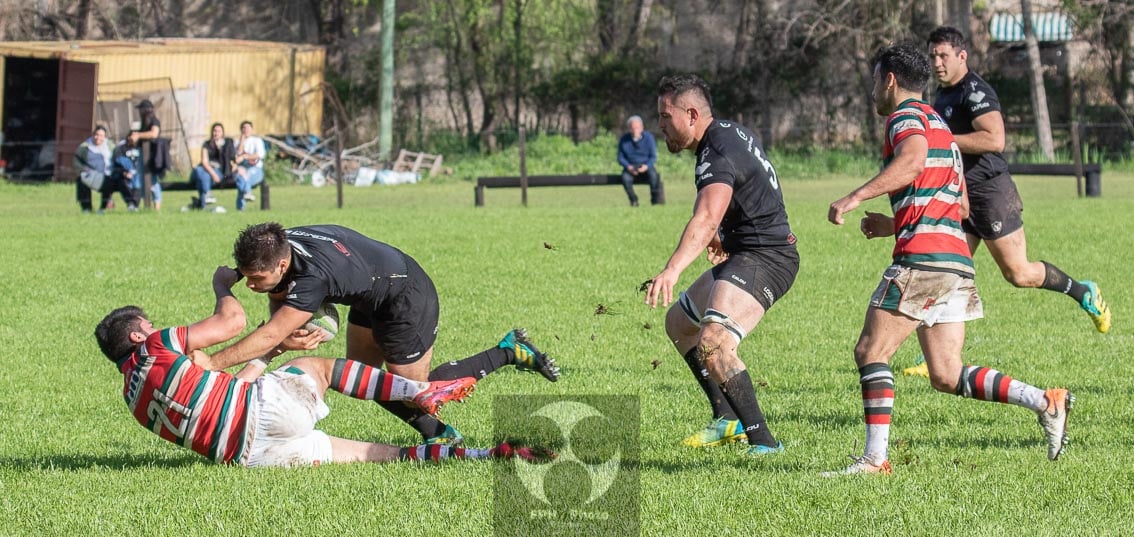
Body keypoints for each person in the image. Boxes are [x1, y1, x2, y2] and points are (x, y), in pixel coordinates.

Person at [823, 44, 1073, 476]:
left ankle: (873, 460)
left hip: (923, 259)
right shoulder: (941, 125)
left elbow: (913, 161)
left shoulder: (904, 118)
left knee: (871, 350)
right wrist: (894, 222)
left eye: (873, 82)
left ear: (890, 81)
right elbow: (957, 207)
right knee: (945, 373)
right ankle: (1044, 401)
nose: (872, 93)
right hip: (955, 259)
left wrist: (855, 195)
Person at [94, 266, 546, 468]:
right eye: (147, 323)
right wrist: (221, 286)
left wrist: (273, 353)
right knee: (323, 367)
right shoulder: (156, 346)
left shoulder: (133, 397)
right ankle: (418, 393)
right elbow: (231, 321)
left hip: (252, 457)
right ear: (137, 335)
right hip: (264, 415)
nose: (155, 325)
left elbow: (225, 395)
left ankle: (490, 456)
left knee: (383, 456)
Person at [192, 223, 560, 445]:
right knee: (362, 378)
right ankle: (438, 433)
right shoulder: (277, 246)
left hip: (405, 296)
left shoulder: (311, 278)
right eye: (247, 277)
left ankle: (508, 351)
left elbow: (271, 335)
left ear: (282, 264)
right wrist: (247, 286)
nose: (251, 286)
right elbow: (276, 310)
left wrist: (213, 362)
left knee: (418, 393)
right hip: (371, 292)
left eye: (256, 279)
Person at [897, 27, 1113, 377]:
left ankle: (1083, 290)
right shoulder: (942, 95)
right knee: (943, 271)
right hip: (960, 195)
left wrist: (944, 137)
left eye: (943, 56)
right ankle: (938, 358)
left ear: (962, 56)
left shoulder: (975, 91)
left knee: (1019, 273)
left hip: (991, 193)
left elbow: (994, 139)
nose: (936, 62)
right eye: (933, 55)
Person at [644, 74, 798, 455]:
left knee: (714, 344)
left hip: (767, 257)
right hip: (746, 251)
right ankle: (726, 418)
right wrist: (726, 236)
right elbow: (749, 188)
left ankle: (765, 443)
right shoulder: (730, 132)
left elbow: (706, 217)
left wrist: (673, 269)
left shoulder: (717, 151)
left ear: (692, 114)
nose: (660, 125)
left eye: (665, 116)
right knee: (680, 325)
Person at [75, 125, 135, 213]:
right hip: (92, 176)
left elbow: (118, 159)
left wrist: (122, 171)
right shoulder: (84, 147)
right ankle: (86, 208)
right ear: (93, 135)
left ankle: (130, 205)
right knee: (81, 181)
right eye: (96, 135)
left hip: (110, 175)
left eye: (101, 136)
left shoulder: (111, 146)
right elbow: (77, 162)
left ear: (105, 137)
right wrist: (83, 170)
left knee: (120, 180)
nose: (98, 138)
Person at [186, 123, 236, 212]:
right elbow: (204, 162)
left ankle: (201, 206)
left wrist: (220, 149)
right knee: (199, 170)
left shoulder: (227, 144)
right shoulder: (206, 144)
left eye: (218, 131)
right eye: (214, 131)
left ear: (223, 133)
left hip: (216, 172)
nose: (216, 133)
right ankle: (207, 195)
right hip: (205, 171)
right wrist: (213, 175)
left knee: (202, 178)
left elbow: (232, 159)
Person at [127, 99, 164, 210]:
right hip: (143, 153)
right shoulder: (144, 123)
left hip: (152, 155)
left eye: (141, 109)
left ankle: (156, 207)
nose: (139, 112)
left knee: (152, 181)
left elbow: (154, 134)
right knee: (143, 180)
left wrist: (138, 135)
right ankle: (146, 205)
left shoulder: (154, 121)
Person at [617, 115, 661, 206]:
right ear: (629, 128)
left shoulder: (649, 138)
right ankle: (633, 200)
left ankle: (654, 201)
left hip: (645, 166)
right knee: (625, 178)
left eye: (637, 128)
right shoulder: (624, 139)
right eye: (632, 128)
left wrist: (646, 166)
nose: (635, 130)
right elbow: (620, 158)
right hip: (630, 166)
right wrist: (628, 167)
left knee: (654, 176)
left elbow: (653, 157)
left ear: (642, 128)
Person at [234, 120, 266, 211]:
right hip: (241, 169)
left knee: (245, 176)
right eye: (244, 128)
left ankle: (240, 207)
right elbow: (236, 156)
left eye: (248, 128)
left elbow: (260, 155)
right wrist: (241, 141)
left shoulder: (257, 141)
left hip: (255, 169)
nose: (246, 130)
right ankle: (247, 194)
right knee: (241, 176)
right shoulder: (237, 142)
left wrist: (245, 157)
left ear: (252, 129)